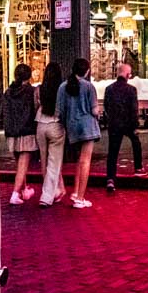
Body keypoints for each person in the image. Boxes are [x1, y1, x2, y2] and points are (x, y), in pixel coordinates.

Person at [58, 58, 100, 209]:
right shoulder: (88, 87)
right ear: (87, 71)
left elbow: (60, 111)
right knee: (85, 161)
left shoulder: (63, 87)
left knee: (78, 161)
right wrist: (98, 114)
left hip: (72, 126)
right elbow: (94, 110)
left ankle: (75, 192)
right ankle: (80, 198)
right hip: (88, 126)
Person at [103, 62, 145, 191]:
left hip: (114, 123)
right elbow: (133, 109)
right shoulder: (131, 90)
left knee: (113, 152)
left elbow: (106, 105)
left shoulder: (109, 89)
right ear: (127, 75)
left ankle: (110, 178)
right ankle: (138, 167)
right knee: (136, 143)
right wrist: (135, 125)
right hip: (128, 123)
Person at [1, 63, 38, 205]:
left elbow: (4, 112)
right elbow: (35, 109)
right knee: (23, 165)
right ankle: (15, 194)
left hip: (12, 132)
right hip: (27, 131)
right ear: (29, 76)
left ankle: (24, 189)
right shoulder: (31, 92)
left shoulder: (8, 92)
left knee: (19, 164)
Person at [35, 62, 67, 207]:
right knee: (54, 161)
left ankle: (59, 189)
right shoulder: (62, 89)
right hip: (56, 124)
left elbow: (36, 106)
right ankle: (47, 196)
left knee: (44, 160)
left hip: (40, 124)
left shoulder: (39, 89)